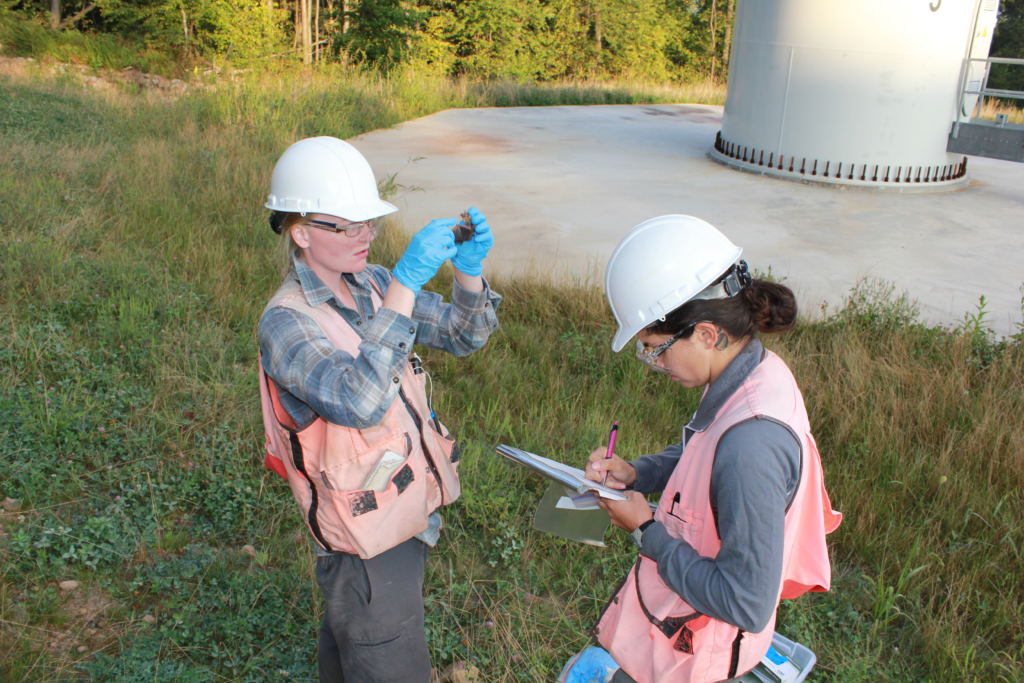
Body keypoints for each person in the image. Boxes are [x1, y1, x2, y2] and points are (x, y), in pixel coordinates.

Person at [256, 136, 501, 681]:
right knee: (383, 650)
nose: (365, 236)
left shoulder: (372, 284)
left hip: (400, 510)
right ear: (300, 232)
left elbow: (465, 334)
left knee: (355, 648)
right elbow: (361, 402)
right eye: (346, 226)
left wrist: (468, 272)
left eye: (367, 222)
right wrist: (407, 287)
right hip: (364, 539)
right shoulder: (286, 322)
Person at [561, 215, 841, 683]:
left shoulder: (753, 445)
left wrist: (646, 529)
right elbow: (703, 456)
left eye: (656, 349)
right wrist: (638, 473)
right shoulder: (753, 371)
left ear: (708, 334)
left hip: (697, 657)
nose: (653, 364)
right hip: (678, 630)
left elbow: (743, 603)